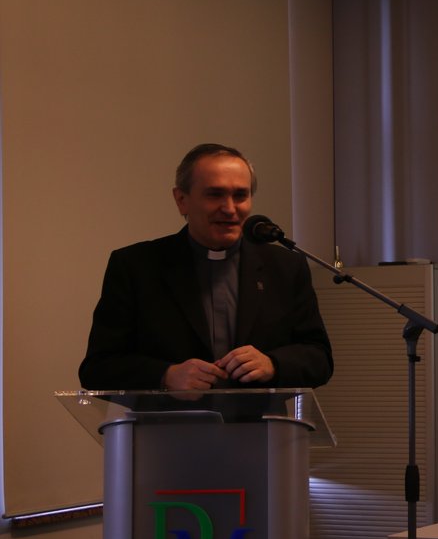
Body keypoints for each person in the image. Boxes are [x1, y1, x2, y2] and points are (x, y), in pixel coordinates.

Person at [79, 143, 333, 391]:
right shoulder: (135, 266)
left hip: (259, 419)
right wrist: (166, 376)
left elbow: (319, 358)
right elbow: (97, 368)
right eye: (215, 194)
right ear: (182, 200)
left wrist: (273, 364)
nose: (230, 209)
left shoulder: (285, 266)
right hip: (166, 419)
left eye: (240, 196)